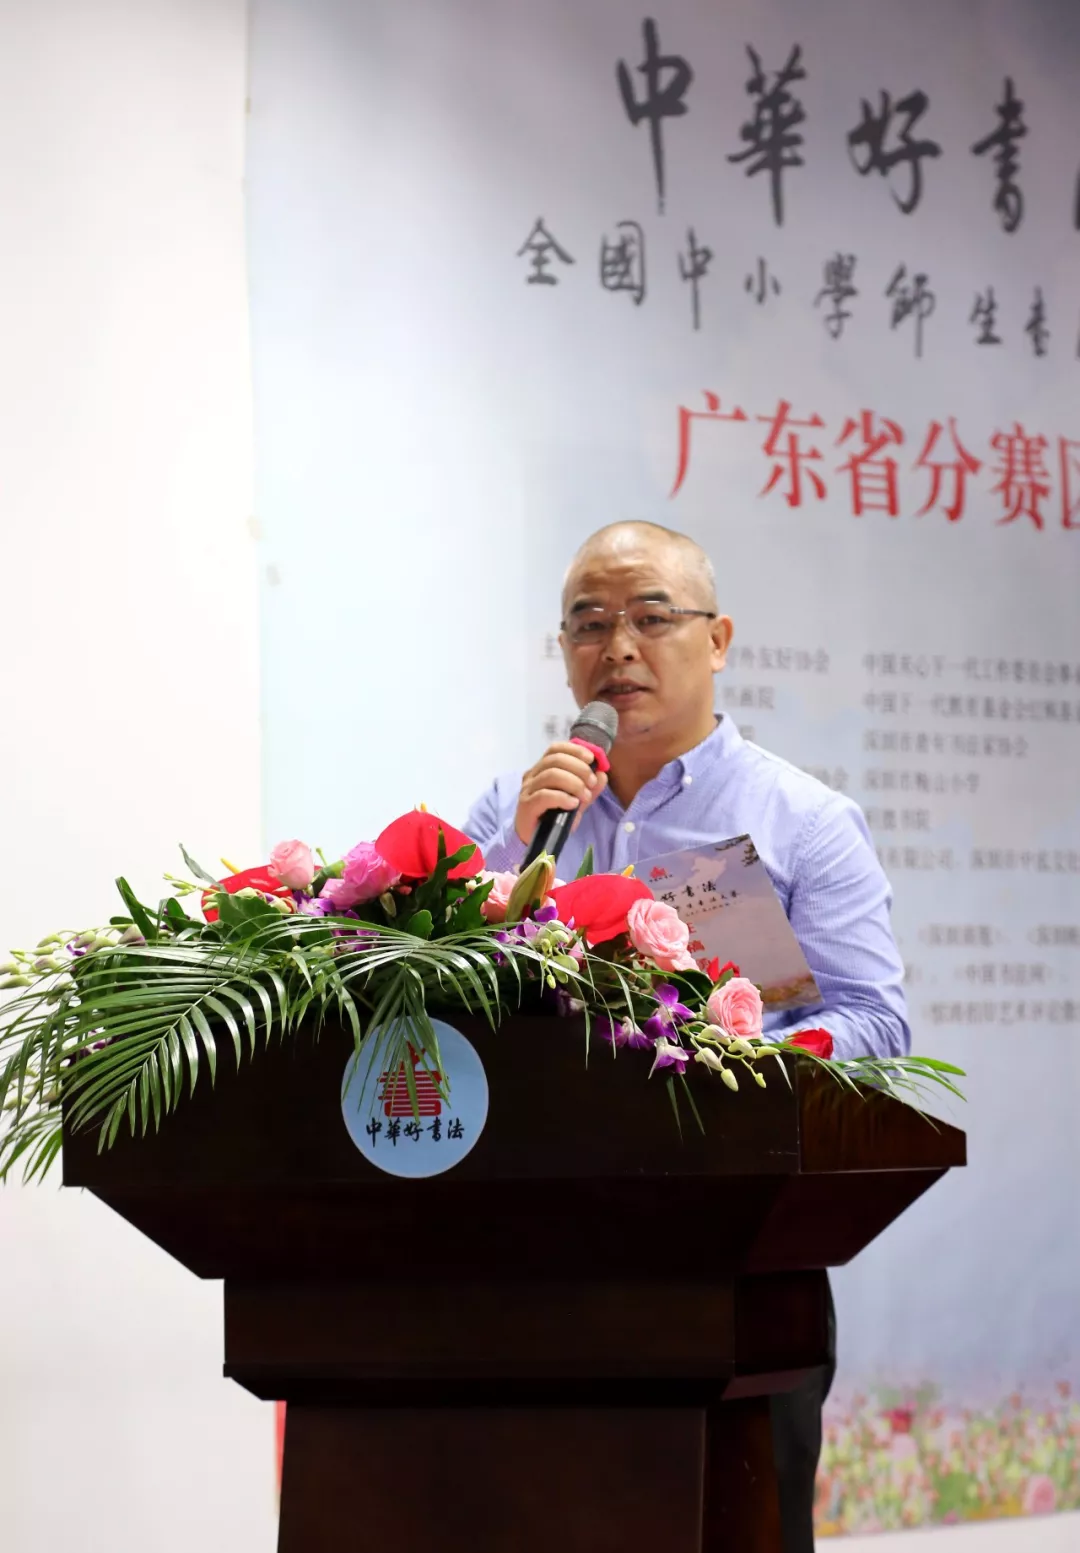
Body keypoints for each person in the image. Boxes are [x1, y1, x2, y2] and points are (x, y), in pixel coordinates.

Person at [463, 520, 910, 1552]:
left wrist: (734, 1058)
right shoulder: (516, 811)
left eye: (651, 617)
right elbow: (433, 981)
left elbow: (876, 1020)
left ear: (718, 639)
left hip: (734, 1257)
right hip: (536, 1256)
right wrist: (512, 847)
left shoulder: (802, 818)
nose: (617, 646)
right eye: (588, 623)